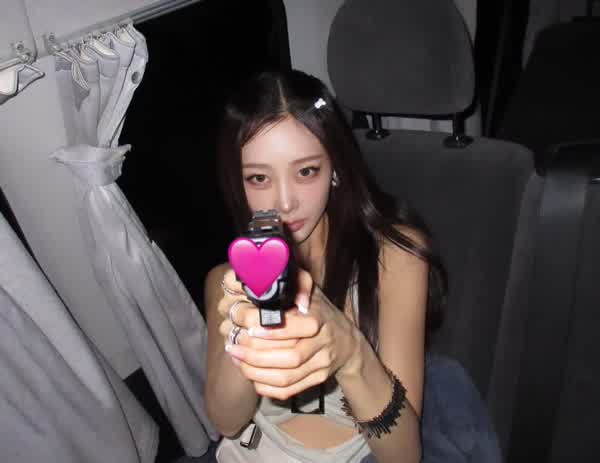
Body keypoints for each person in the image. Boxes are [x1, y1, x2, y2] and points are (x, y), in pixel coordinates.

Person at [202, 69, 501, 463]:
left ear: (335, 167)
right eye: (259, 178)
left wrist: (350, 351)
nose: (285, 202)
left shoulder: (396, 256)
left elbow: (403, 455)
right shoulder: (226, 280)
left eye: (306, 171)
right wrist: (246, 331)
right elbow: (226, 422)